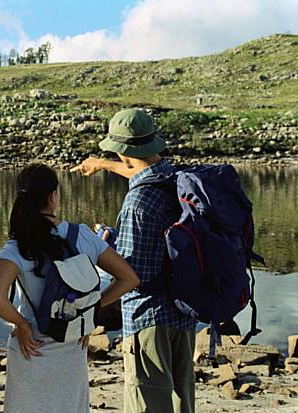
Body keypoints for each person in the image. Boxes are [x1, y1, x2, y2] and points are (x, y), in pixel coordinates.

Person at [72, 108, 197, 413]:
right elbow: (140, 172)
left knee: (148, 404)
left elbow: (133, 276)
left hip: (149, 319)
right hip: (185, 313)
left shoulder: (137, 203)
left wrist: (92, 305)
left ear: (123, 151)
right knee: (182, 401)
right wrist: (103, 164)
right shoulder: (175, 178)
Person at [0, 163, 139, 413]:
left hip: (31, 348)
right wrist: (87, 313)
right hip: (71, 346)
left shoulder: (17, 247)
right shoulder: (82, 235)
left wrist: (22, 325)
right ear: (53, 196)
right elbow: (129, 279)